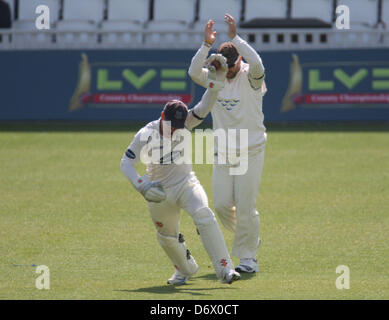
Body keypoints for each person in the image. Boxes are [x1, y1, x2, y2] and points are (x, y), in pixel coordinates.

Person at [120, 53, 241, 285]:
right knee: (167, 237)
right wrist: (141, 185)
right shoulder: (146, 134)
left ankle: (225, 269)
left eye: (178, 127)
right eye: (171, 126)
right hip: (158, 191)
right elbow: (126, 163)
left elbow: (205, 104)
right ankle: (184, 270)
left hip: (186, 184)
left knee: (204, 215)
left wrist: (217, 81)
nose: (175, 131)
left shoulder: (185, 122)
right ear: (162, 116)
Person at [188, 14, 267, 274]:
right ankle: (249, 233)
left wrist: (235, 38)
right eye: (226, 65)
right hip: (223, 150)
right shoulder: (215, 78)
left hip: (251, 149)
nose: (230, 70)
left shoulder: (252, 78)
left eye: (233, 65)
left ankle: (248, 258)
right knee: (221, 204)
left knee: (246, 206)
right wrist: (205, 44)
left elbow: (257, 61)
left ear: (239, 62)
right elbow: (192, 72)